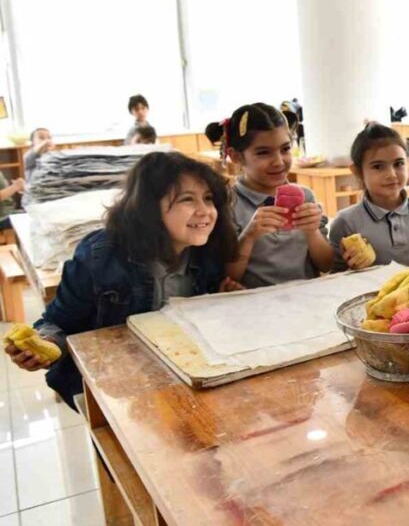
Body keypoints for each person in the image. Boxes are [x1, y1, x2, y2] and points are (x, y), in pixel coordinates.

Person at [3, 151, 240, 409]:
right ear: (149, 208)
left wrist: (221, 301)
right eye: (187, 200)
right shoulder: (101, 256)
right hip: (116, 391)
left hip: (182, 378)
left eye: (208, 199)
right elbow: (56, 323)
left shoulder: (207, 250)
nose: (205, 211)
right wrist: (43, 345)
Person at [204, 103, 332, 287]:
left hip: (306, 300)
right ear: (237, 157)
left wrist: (312, 232)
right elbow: (230, 277)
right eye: (263, 153)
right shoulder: (227, 203)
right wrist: (249, 236)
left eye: (285, 149)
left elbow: (326, 264)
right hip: (256, 306)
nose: (279, 162)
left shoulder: (306, 197)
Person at [329, 123, 409, 269]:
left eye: (398, 164)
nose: (391, 174)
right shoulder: (345, 222)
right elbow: (337, 276)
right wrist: (352, 266)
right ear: (357, 171)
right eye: (378, 166)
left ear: (408, 163)